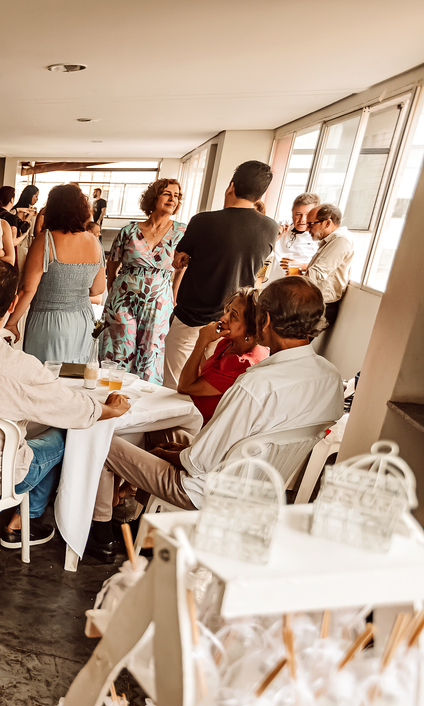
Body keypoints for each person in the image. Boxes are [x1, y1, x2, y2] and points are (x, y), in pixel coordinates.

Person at [89, 277, 342, 558]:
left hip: (204, 491)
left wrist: (176, 455)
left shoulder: (256, 384)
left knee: (100, 440)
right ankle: (146, 530)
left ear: (266, 320)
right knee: (164, 434)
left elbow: (198, 463)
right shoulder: (330, 378)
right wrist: (184, 451)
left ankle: (100, 535)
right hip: (259, 486)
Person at [0, 258, 131, 545]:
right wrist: (109, 409)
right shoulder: (22, 367)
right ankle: (22, 522)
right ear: (13, 304)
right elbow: (75, 411)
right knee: (65, 431)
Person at [165, 160, 278, 389]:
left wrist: (188, 256)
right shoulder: (270, 227)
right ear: (260, 195)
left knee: (175, 385)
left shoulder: (203, 221)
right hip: (232, 322)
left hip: (191, 318)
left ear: (231, 186)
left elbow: (180, 258)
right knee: (210, 386)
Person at [5, 184, 107, 361]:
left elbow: (28, 289)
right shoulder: (94, 242)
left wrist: (11, 323)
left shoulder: (46, 240)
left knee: (44, 374)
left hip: (49, 323)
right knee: (74, 374)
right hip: (83, 320)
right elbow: (98, 289)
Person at [100, 179, 187, 384]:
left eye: (176, 196)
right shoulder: (128, 231)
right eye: (167, 194)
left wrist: (174, 296)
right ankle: (113, 395)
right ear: (154, 197)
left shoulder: (182, 232)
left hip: (159, 301)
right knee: (119, 350)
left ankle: (142, 400)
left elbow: (181, 269)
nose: (172, 199)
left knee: (150, 353)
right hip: (123, 300)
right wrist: (113, 294)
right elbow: (112, 267)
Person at [176, 288, 269, 424]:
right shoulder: (228, 343)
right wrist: (206, 342)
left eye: (233, 316)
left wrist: (201, 341)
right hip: (192, 415)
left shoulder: (242, 363)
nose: (223, 318)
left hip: (203, 427)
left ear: (251, 329)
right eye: (228, 311)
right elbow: (200, 376)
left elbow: (185, 387)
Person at [304, 203, 354, 329]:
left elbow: (317, 273)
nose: (307, 229)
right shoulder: (331, 240)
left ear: (327, 223)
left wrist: (288, 286)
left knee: (293, 339)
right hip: (315, 302)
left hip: (321, 305)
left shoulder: (341, 240)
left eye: (311, 224)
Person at [263, 192, 319, 284]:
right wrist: (275, 237)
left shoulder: (319, 237)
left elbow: (323, 267)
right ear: (292, 212)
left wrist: (301, 265)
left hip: (298, 285)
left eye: (307, 214)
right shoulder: (281, 225)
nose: (302, 219)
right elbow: (260, 252)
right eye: (298, 214)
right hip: (271, 283)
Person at [0, 185, 27, 261]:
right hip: (4, 256)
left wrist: (17, 209)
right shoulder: (12, 218)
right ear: (12, 200)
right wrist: (24, 235)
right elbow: (13, 242)